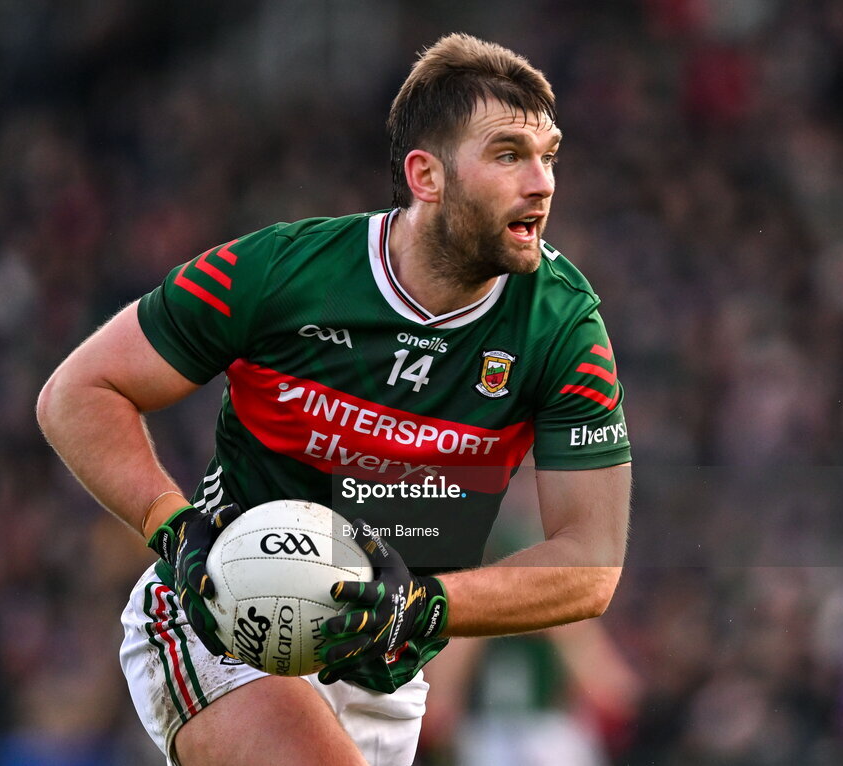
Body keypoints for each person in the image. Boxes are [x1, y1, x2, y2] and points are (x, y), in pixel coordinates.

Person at [37, 33, 631, 766]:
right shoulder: (282, 273)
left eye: (549, 156)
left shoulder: (562, 326)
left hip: (385, 678)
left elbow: (590, 564)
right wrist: (173, 527)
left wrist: (424, 604)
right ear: (426, 175)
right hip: (225, 628)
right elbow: (78, 391)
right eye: (509, 155)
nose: (541, 182)